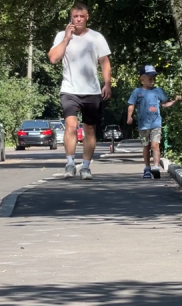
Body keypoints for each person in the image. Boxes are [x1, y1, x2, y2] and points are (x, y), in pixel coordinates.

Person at [48, 2, 112, 180]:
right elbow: (53, 58)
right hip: (69, 89)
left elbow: (104, 61)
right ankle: (69, 163)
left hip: (91, 91)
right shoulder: (62, 35)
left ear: (86, 17)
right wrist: (67, 39)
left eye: (81, 16)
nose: (78, 19)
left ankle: (85, 167)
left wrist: (107, 83)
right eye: (75, 16)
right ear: (71, 17)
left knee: (90, 129)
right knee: (70, 126)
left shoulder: (96, 37)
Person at [127, 65, 181, 179]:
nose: (152, 80)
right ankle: (147, 168)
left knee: (155, 145)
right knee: (146, 146)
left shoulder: (158, 91)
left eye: (154, 78)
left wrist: (174, 101)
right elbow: (131, 105)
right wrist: (129, 117)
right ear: (142, 79)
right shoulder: (137, 92)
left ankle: (155, 167)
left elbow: (164, 104)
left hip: (156, 123)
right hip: (143, 125)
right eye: (150, 78)